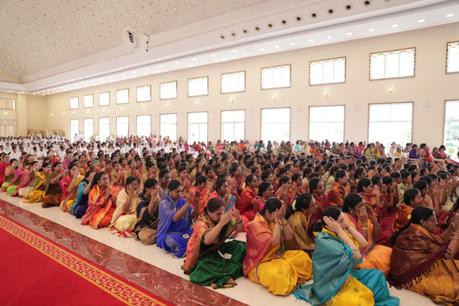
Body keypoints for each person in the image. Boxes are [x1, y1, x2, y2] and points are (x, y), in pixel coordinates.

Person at [295, 207, 399, 306]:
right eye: (341, 220)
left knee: (378, 276)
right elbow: (358, 258)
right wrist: (340, 231)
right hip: (333, 283)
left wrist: (347, 227)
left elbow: (364, 244)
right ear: (329, 225)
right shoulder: (325, 241)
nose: (344, 222)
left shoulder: (337, 233)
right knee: (359, 301)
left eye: (343, 219)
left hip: (347, 274)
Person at [390, 206, 459, 304]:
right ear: (422, 222)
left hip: (423, 269)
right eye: (432, 220)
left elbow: (438, 240)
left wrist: (452, 226)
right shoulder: (414, 235)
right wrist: (457, 233)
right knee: (454, 288)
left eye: (436, 219)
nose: (436, 222)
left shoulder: (418, 229)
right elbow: (447, 255)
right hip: (412, 278)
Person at [243, 197, 312, 296]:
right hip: (260, 263)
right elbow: (274, 241)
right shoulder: (255, 225)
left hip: (277, 257)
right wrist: (277, 221)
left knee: (302, 257)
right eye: (277, 215)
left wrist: (283, 219)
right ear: (267, 212)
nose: (278, 217)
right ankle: (291, 275)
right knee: (279, 274)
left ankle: (292, 274)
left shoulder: (274, 220)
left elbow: (289, 236)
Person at [183, 198, 246, 288]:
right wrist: (221, 223)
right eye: (218, 214)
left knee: (239, 246)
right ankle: (222, 276)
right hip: (200, 255)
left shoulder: (222, 218)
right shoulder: (201, 222)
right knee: (203, 267)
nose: (221, 216)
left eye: (222, 212)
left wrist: (238, 219)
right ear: (209, 212)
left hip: (216, 248)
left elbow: (240, 229)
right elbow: (207, 241)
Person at [342, 193, 392, 275]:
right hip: (357, 256)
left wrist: (372, 217)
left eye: (363, 205)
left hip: (369, 249)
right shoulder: (345, 220)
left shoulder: (362, 214)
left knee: (389, 252)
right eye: (359, 206)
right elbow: (362, 244)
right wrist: (364, 222)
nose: (363, 208)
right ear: (350, 208)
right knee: (378, 262)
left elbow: (377, 235)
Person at [157, 180, 197, 258]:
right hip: (169, 233)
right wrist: (188, 204)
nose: (180, 194)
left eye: (181, 191)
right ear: (170, 191)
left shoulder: (182, 201)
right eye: (177, 192)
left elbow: (194, 215)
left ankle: (189, 244)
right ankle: (188, 246)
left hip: (184, 231)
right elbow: (174, 218)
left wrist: (196, 202)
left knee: (198, 230)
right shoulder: (164, 203)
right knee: (171, 240)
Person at [134, 178, 161, 244]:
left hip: (156, 226)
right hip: (143, 226)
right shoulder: (140, 199)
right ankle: (160, 235)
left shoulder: (157, 198)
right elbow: (145, 216)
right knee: (145, 237)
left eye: (156, 188)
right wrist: (152, 201)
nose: (155, 191)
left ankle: (159, 235)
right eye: (152, 188)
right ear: (146, 189)